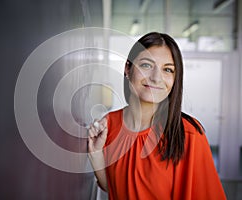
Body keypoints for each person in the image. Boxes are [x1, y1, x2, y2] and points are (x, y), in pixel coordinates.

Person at [87, 32, 226, 199]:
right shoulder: (108, 126)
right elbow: (113, 188)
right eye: (146, 65)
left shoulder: (189, 134)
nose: (156, 78)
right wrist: (96, 154)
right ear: (127, 69)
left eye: (168, 69)